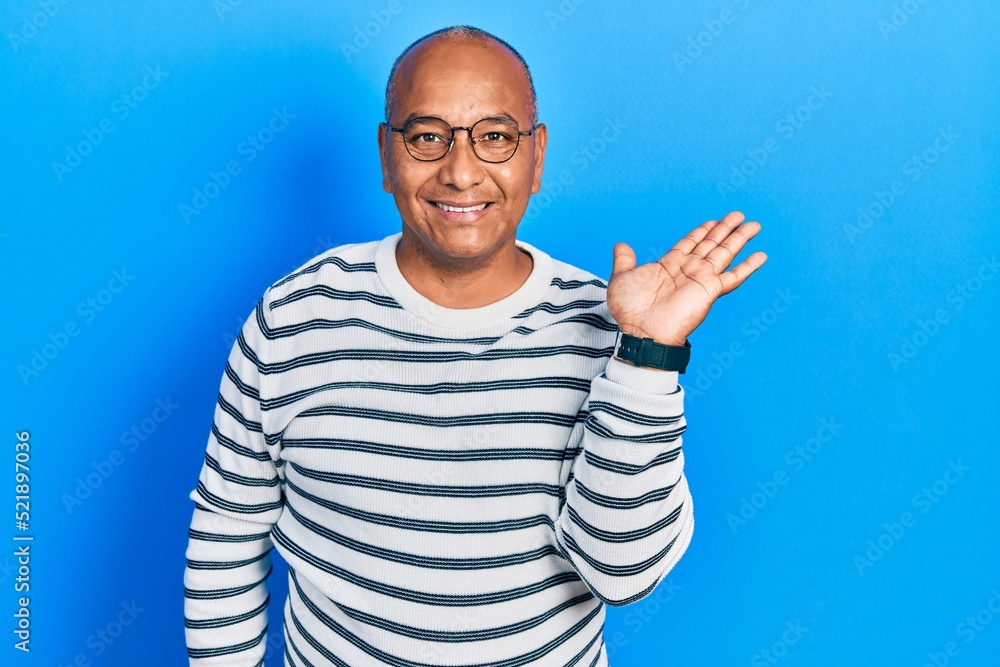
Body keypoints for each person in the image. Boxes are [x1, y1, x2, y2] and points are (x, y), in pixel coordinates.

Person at [183, 25, 765, 666]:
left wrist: (648, 356)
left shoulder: (612, 328)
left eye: (495, 137)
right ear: (386, 155)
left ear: (536, 157)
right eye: (428, 136)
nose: (461, 173)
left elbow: (621, 574)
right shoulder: (294, 317)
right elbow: (227, 536)